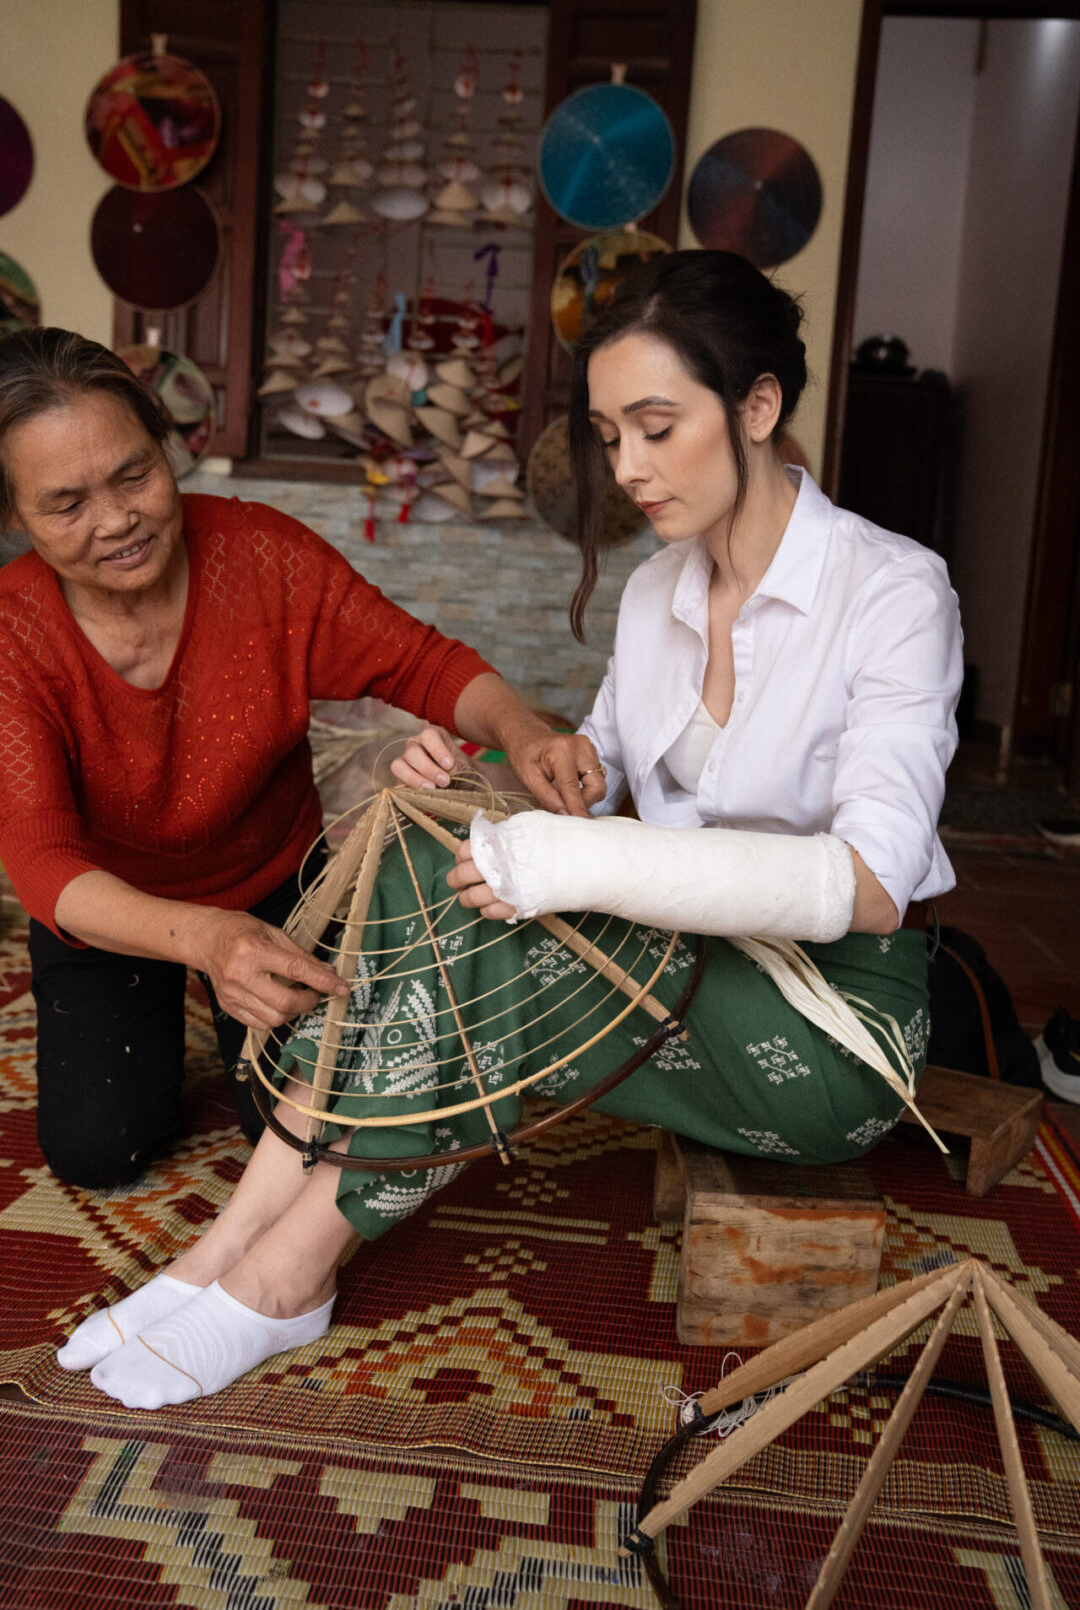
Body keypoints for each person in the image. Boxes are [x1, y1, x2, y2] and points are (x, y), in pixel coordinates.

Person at [57, 253, 964, 1411]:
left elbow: (877, 882)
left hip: (825, 1025)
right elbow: (589, 780)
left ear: (757, 407)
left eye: (656, 427)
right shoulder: (659, 594)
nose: (626, 470)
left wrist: (573, 857)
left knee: (501, 933)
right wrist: (471, 772)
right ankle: (221, 1252)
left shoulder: (894, 592)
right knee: (426, 857)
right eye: (609, 434)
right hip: (685, 971)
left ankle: (288, 1276)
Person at [0, 327, 597, 1194]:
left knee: (302, 1126)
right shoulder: (14, 636)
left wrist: (524, 729)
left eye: (135, 474)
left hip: (276, 880)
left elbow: (419, 662)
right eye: (67, 503)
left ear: (168, 448)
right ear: (17, 514)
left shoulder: (260, 555)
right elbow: (45, 865)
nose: (118, 519)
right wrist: (204, 939)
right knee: (102, 1151)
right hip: (113, 911)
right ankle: (159, 1008)